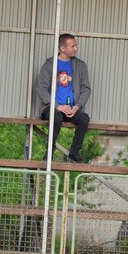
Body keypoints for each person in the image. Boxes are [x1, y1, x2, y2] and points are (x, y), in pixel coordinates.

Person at [36, 34, 92, 163]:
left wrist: (77, 106)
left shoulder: (80, 65)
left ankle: (74, 153)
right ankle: (49, 152)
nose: (76, 48)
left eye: (76, 45)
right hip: (52, 108)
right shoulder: (49, 64)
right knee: (56, 117)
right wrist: (57, 106)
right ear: (62, 48)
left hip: (71, 109)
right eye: (73, 46)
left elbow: (86, 89)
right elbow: (41, 89)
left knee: (84, 118)